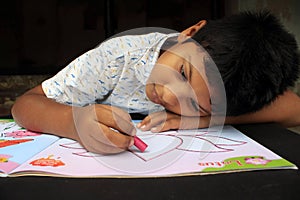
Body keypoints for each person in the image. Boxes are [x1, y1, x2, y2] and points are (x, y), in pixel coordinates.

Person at [11, 10, 300, 154]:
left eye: (195, 104)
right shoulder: (117, 59)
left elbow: (294, 109)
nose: (171, 97)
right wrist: (72, 123)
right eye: (183, 73)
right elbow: (25, 104)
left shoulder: (230, 92)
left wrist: (204, 120)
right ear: (189, 33)